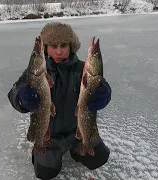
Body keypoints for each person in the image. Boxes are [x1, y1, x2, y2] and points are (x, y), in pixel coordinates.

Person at [7, 22, 112, 180]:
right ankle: (46, 154)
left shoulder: (82, 70)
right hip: (50, 135)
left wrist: (104, 94)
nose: (58, 51)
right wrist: (21, 98)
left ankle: (77, 151)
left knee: (99, 158)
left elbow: (102, 86)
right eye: (53, 45)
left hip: (77, 130)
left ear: (71, 46)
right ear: (46, 48)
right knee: (45, 172)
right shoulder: (34, 73)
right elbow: (14, 92)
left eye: (63, 45)